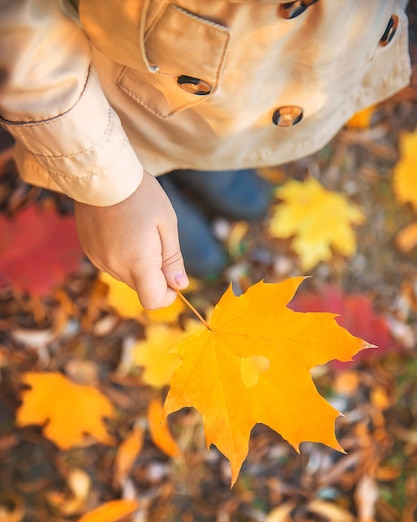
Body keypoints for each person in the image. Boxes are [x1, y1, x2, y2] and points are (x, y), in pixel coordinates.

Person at [0, 0, 411, 309]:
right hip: (123, 90)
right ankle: (144, 181)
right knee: (138, 149)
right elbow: (19, 23)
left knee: (210, 139)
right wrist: (110, 188)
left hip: (255, 94)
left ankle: (202, 167)